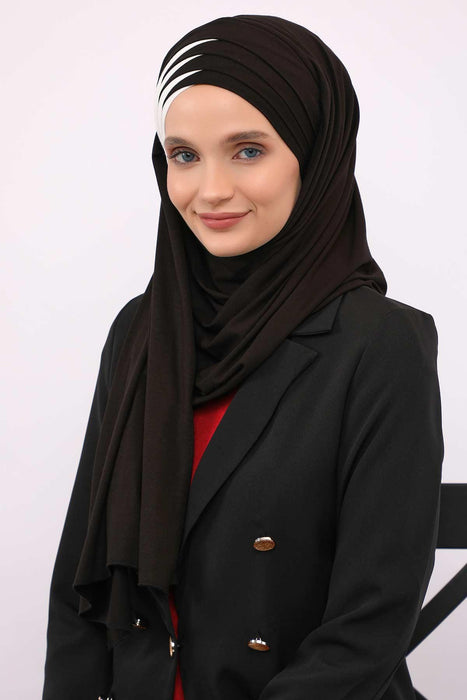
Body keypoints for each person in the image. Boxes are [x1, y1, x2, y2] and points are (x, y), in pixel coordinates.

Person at [42, 14, 444, 700]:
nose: (210, 191)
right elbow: (78, 589)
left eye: (248, 150)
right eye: (183, 155)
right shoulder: (142, 331)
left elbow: (368, 624)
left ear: (315, 155)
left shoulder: (380, 344)